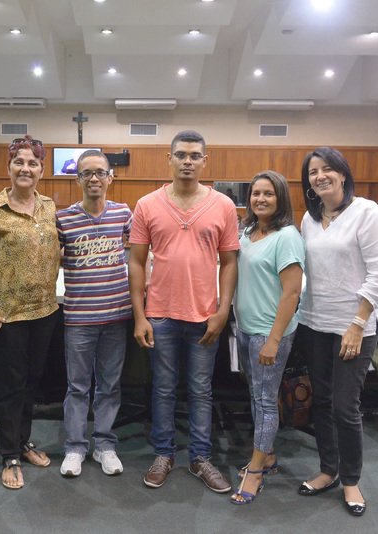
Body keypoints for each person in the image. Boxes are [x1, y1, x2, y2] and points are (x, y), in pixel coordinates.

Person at [128, 130, 239, 493]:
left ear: (205, 161)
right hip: (160, 314)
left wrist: (223, 311)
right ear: (170, 159)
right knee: (162, 389)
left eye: (194, 155)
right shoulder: (147, 204)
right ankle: (163, 454)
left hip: (205, 316)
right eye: (181, 155)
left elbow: (229, 263)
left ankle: (200, 458)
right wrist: (140, 315)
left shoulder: (223, 205)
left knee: (201, 390)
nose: (187, 161)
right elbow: (137, 262)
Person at [296, 147, 378, 517]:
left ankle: (351, 480)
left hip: (355, 326)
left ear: (343, 174)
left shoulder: (367, 213)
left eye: (327, 169)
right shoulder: (309, 219)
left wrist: (358, 324)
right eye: (313, 171)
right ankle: (328, 470)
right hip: (315, 321)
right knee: (320, 402)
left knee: (344, 406)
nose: (320, 176)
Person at [0, 136, 59, 490]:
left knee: (31, 384)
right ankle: (8, 454)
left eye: (33, 163)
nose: (25, 168)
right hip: (5, 315)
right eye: (19, 162)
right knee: (10, 386)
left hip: (44, 311)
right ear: (8, 168)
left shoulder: (49, 207)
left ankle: (22, 442)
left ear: (41, 170)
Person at [230, 171, 305, 505]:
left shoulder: (287, 237)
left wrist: (274, 341)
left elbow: (292, 293)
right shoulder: (248, 232)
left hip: (269, 332)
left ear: (281, 198)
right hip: (246, 328)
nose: (260, 199)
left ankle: (256, 471)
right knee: (255, 394)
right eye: (256, 193)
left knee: (264, 399)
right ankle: (268, 454)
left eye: (268, 194)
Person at [57, 150, 133, 477]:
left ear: (110, 177)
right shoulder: (63, 218)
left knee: (109, 386)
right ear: (78, 180)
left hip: (116, 316)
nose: (94, 179)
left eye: (100, 172)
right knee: (77, 387)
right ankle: (75, 448)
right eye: (86, 173)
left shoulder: (123, 213)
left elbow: (143, 249)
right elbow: (50, 257)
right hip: (79, 319)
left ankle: (104, 445)